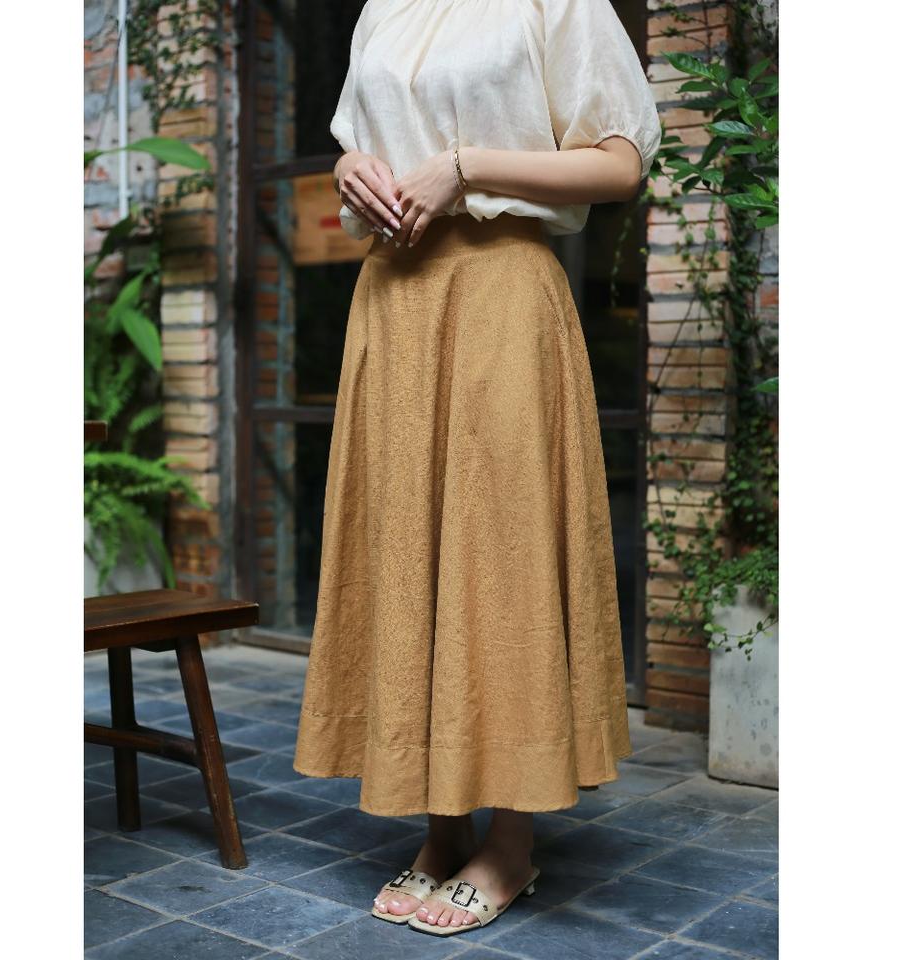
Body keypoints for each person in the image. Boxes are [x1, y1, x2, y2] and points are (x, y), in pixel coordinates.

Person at [292, 0, 661, 937]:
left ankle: (512, 841)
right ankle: (442, 826)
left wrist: (464, 166)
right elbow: (360, 145)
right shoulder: (385, 9)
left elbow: (621, 162)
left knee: (501, 562)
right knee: (405, 554)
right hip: (394, 300)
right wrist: (350, 168)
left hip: (500, 290)